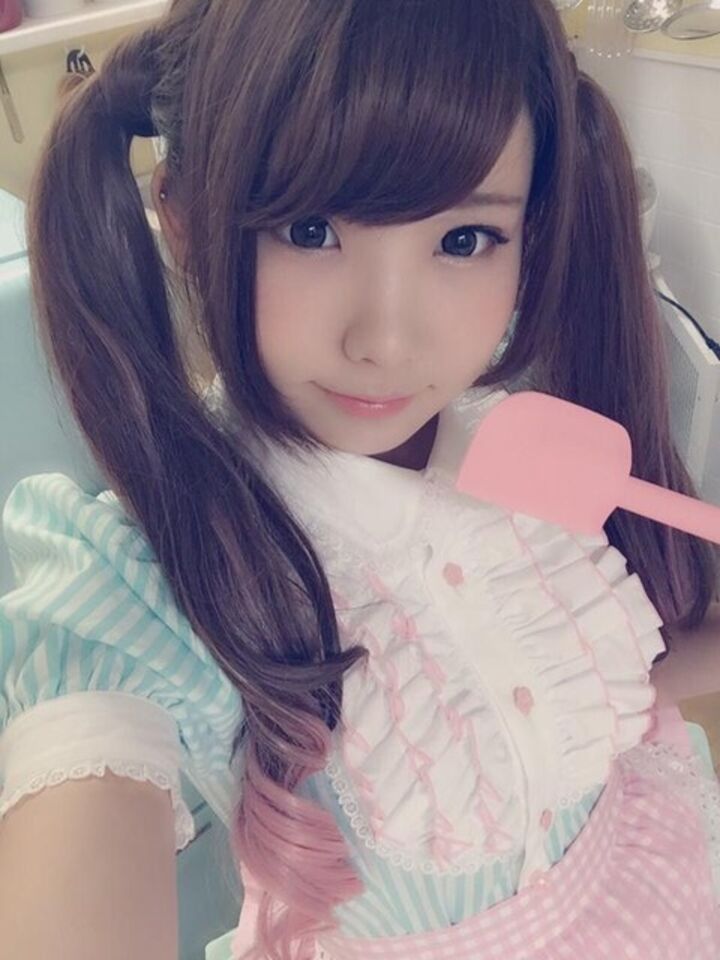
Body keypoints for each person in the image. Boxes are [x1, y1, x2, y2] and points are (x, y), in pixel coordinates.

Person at [1, 0, 719, 958]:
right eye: (309, 229)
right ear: (182, 219)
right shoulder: (151, 573)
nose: (386, 340)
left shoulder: (517, 439)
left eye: (464, 239)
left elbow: (579, 682)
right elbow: (85, 782)